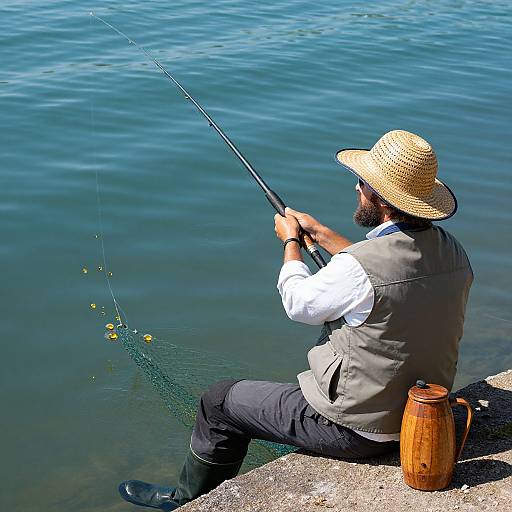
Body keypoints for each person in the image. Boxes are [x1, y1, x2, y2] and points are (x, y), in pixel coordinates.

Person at [118, 129, 473, 510]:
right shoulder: (453, 253)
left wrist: (290, 244)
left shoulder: (360, 268)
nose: (356, 189)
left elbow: (299, 303)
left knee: (220, 401)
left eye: (361, 183)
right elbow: (388, 274)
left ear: (380, 198)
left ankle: (186, 500)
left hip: (359, 430)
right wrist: (319, 234)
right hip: (422, 415)